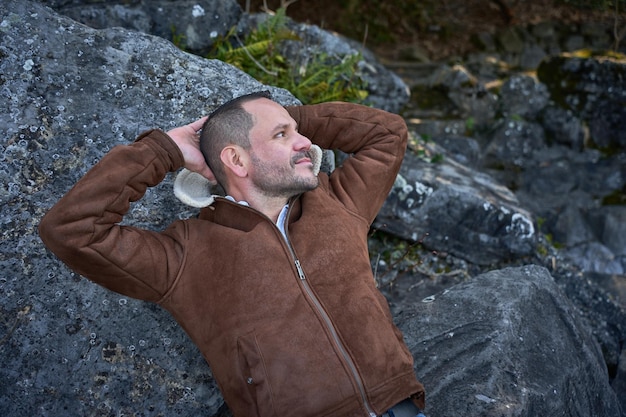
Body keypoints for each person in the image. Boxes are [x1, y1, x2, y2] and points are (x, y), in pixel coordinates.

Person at [38, 91, 426, 417]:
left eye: (298, 132)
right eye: (281, 135)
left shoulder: (339, 201)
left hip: (401, 405)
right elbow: (72, 230)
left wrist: (283, 116)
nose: (305, 141)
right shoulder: (185, 256)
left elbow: (387, 133)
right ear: (236, 159)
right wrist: (164, 150)